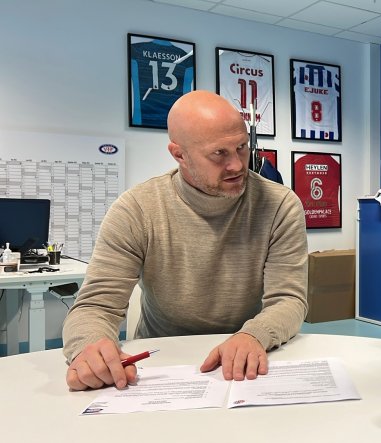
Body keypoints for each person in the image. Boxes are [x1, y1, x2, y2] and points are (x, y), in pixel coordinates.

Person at [62, 91, 308, 391]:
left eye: (242, 147)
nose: (237, 165)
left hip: (250, 357)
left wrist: (254, 335)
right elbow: (96, 305)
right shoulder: (137, 209)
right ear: (179, 154)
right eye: (219, 154)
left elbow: (289, 300)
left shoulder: (280, 204)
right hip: (160, 364)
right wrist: (91, 345)